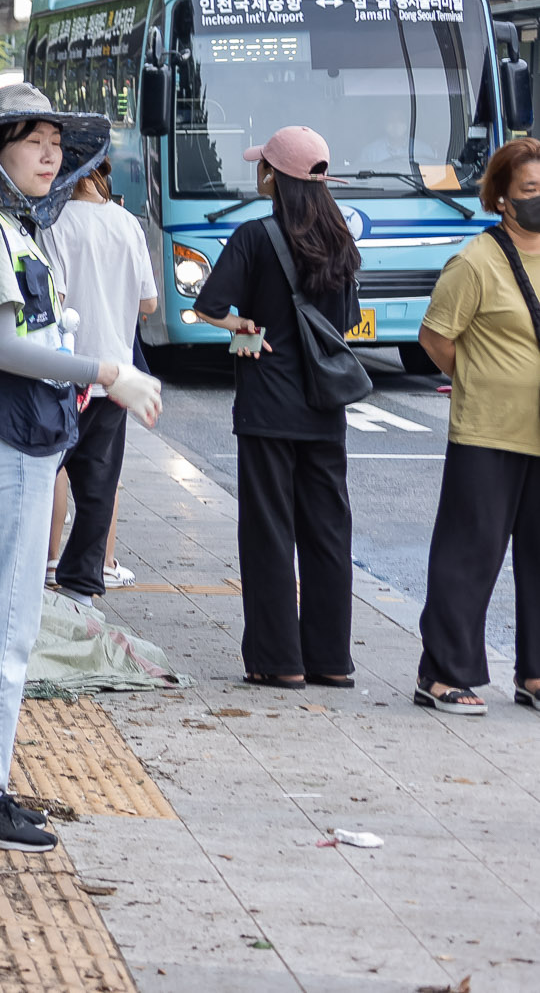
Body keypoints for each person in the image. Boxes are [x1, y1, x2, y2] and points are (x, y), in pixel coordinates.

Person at [0, 84, 162, 851]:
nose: (50, 154)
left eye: (56, 143)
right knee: (1, 629)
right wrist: (103, 368)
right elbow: (4, 348)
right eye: (32, 140)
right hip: (1, 445)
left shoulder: (15, 229)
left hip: (21, 444)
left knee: (0, 624)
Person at [189, 125, 363, 693]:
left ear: (274, 178)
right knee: (328, 533)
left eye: (262, 166)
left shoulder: (255, 236)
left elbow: (210, 302)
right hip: (324, 407)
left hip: (267, 404)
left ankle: (277, 660)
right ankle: (331, 659)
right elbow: (344, 320)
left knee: (269, 531)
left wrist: (241, 324)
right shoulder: (341, 239)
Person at [413, 137, 540, 715]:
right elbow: (435, 337)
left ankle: (534, 675)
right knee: (470, 555)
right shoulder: (476, 261)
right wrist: (484, 377)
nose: (539, 199)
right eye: (530, 191)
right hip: (488, 432)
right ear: (504, 199)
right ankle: (443, 674)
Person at [41, 155, 159, 601]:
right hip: (117, 377)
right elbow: (148, 304)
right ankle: (83, 584)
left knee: (45, 469)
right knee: (99, 485)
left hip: (70, 374)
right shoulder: (128, 223)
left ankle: (38, 564)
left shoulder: (55, 224)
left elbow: (57, 298)